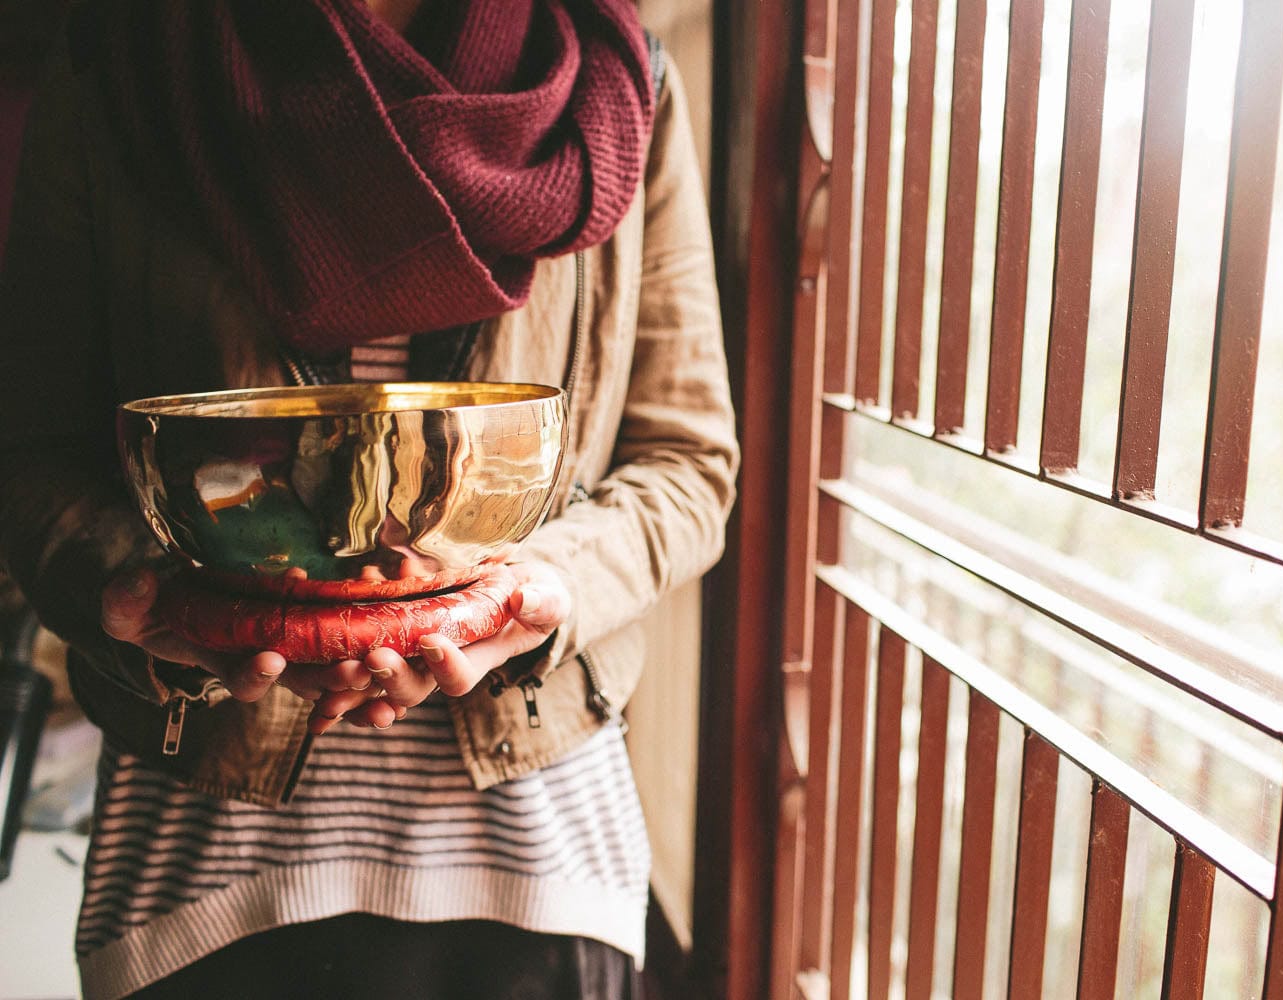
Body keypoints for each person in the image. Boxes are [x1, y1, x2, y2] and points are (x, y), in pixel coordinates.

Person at [0, 0, 738, 997]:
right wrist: (141, 596)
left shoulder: (614, 87)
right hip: (204, 874)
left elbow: (688, 460)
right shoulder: (122, 60)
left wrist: (544, 587)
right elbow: (31, 447)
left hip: (534, 867)